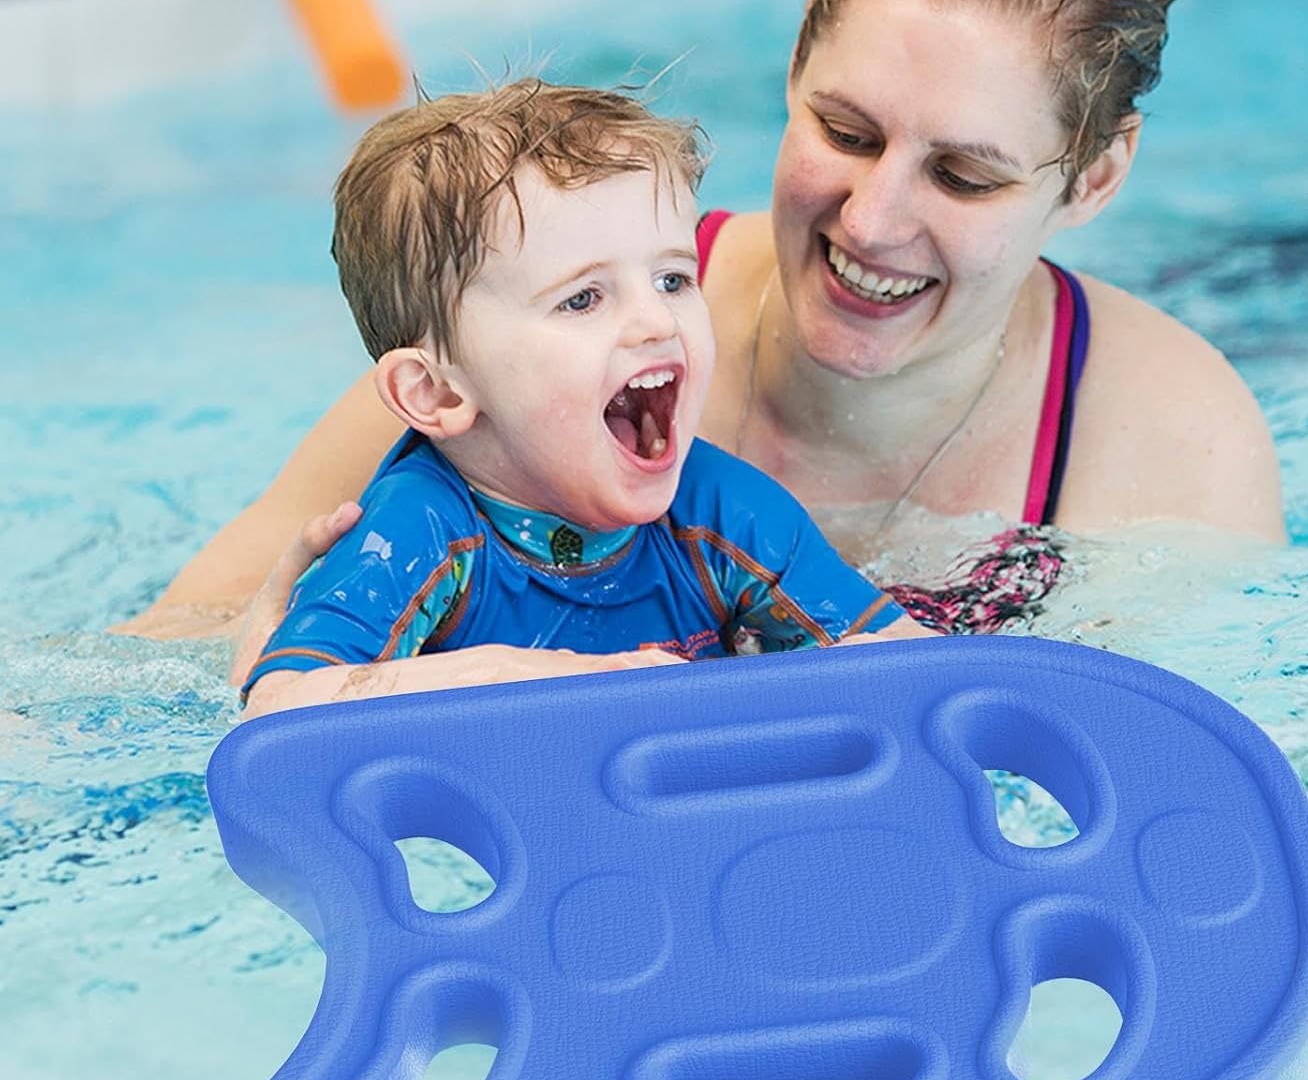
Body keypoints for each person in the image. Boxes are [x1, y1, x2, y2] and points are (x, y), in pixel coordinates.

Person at [121, 0, 1284, 662]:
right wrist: (285, 666)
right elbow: (139, 677)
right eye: (845, 132)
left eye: (964, 177)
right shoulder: (534, 333)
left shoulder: (1164, 446)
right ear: (793, 68)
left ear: (1095, 178)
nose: (873, 221)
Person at [240, 81, 928, 717]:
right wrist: (521, 675)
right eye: (583, 298)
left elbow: (921, 674)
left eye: (672, 280)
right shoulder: (418, 532)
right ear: (438, 392)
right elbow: (280, 708)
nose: (658, 322)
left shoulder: (723, 516)